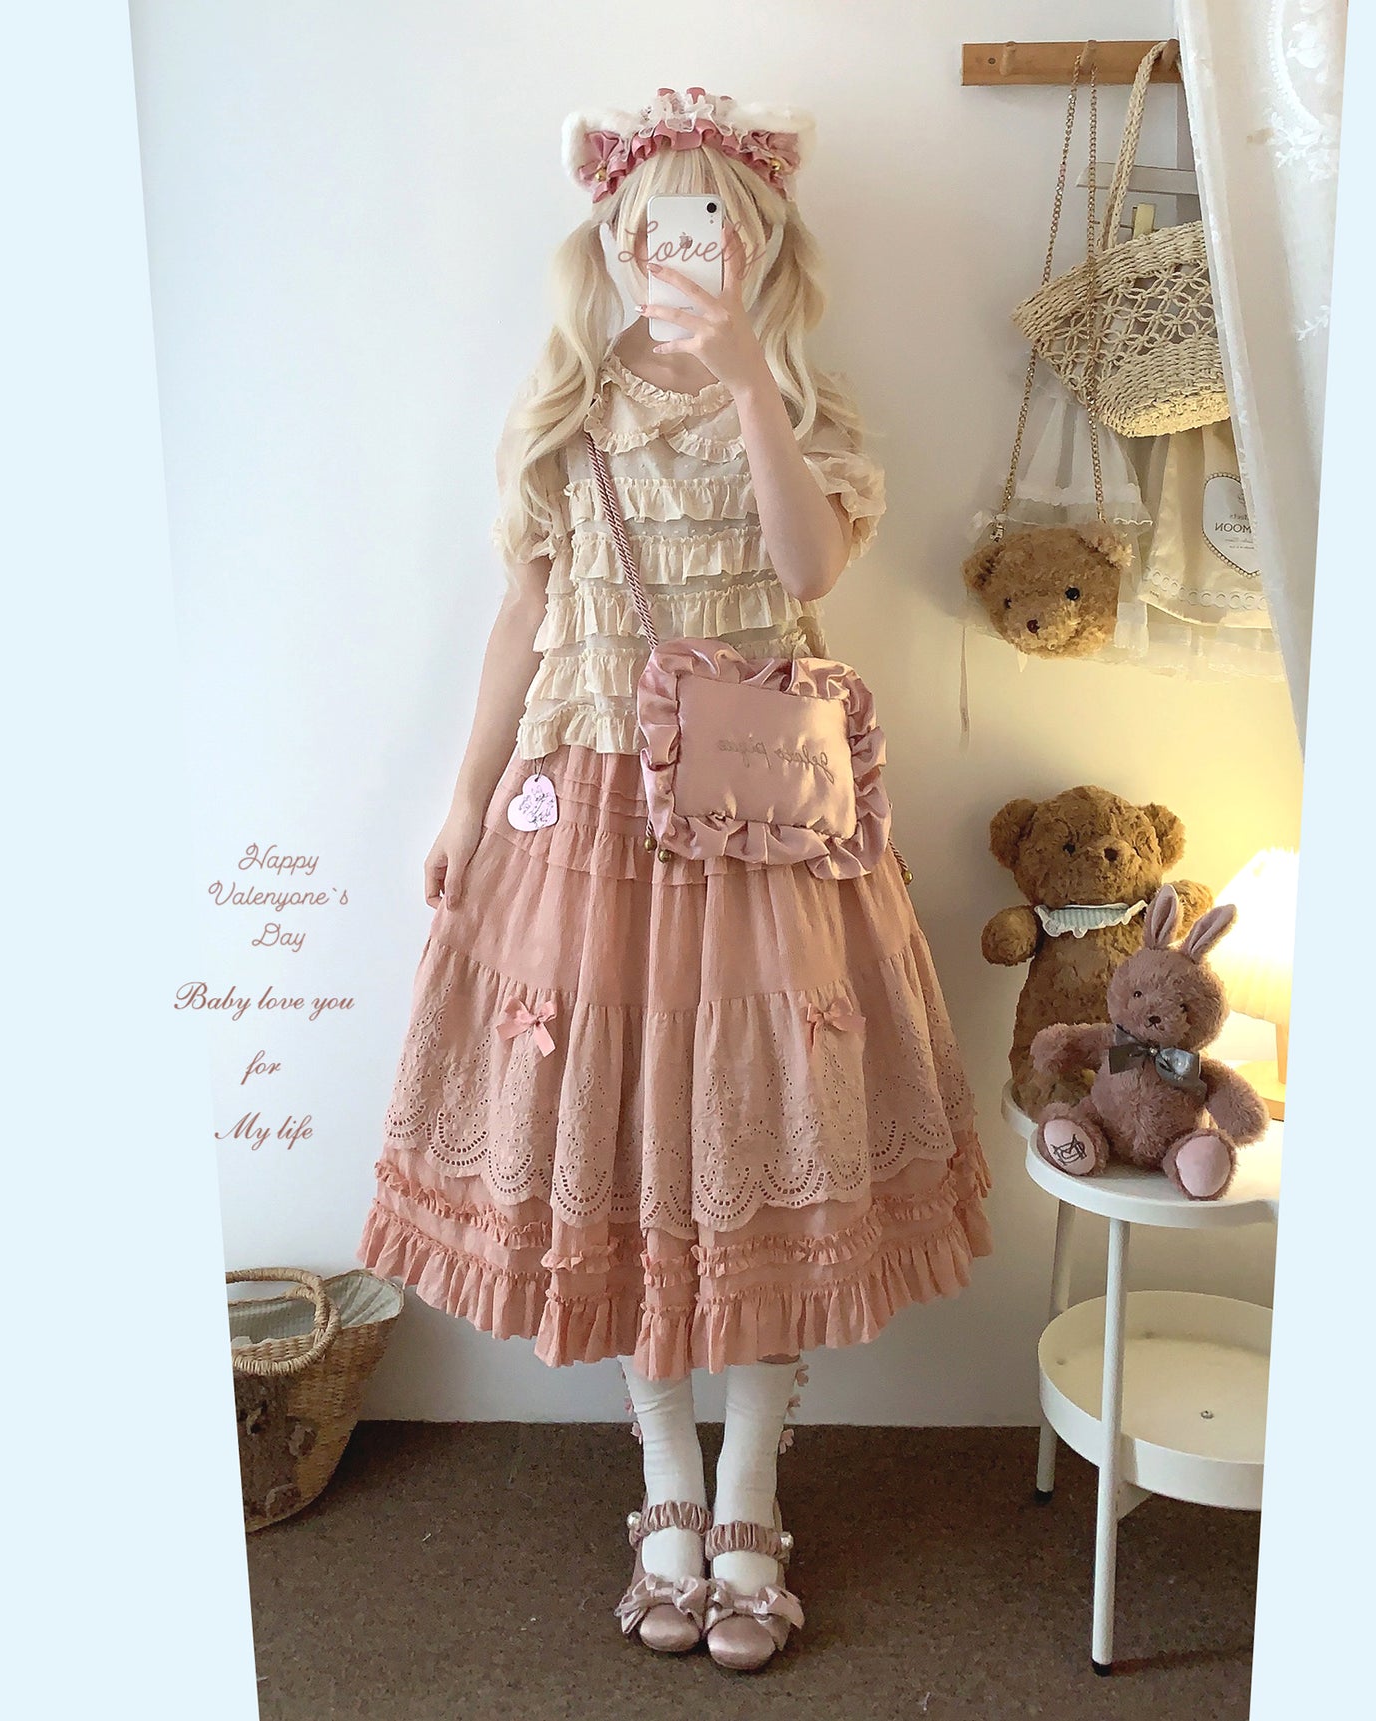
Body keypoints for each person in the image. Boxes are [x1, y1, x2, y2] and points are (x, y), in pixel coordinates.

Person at [357, 85, 992, 1673]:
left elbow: (804, 569)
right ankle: (665, 1475)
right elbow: (522, 622)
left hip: (762, 832)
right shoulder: (566, 410)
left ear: (759, 245)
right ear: (615, 239)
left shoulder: (804, 402)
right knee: (627, 1150)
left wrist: (748, 383)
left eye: (716, 229)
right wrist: (462, 798)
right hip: (587, 823)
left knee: (762, 1138)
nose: (682, 253)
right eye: (657, 228)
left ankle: (752, 1483)